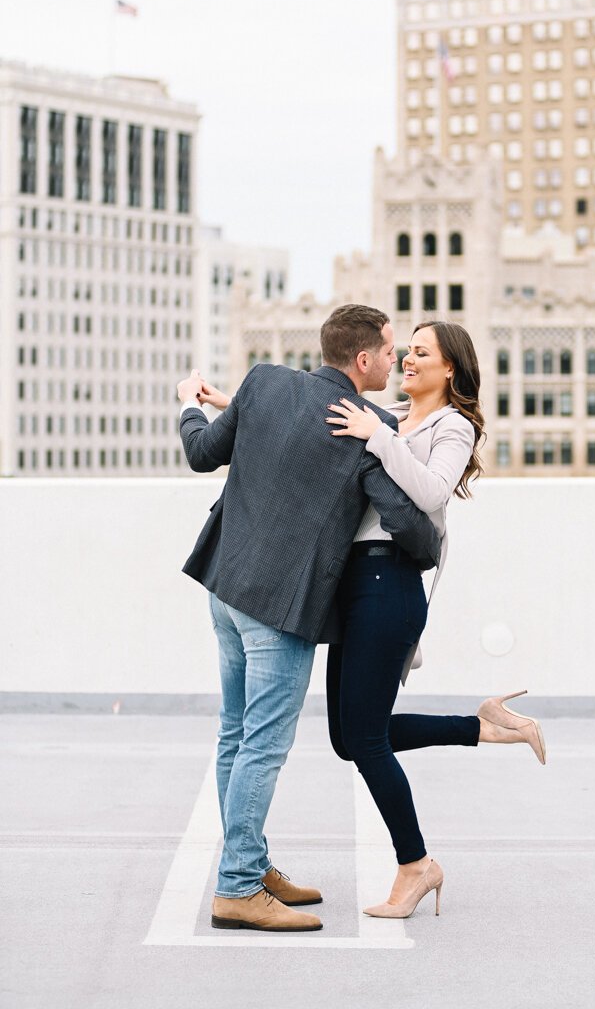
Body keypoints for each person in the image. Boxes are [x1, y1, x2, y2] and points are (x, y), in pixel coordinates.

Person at [176, 304, 441, 933]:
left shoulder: (264, 382)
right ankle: (238, 886)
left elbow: (199, 452)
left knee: (235, 736)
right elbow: (402, 519)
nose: (395, 359)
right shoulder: (365, 423)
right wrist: (431, 551)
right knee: (262, 746)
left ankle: (250, 862)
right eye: (389, 350)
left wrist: (192, 401)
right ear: (362, 360)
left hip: (226, 586)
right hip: (281, 608)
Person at [323, 321, 546, 920]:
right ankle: (484, 727)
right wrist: (228, 405)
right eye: (408, 350)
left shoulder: (453, 425)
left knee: (366, 741)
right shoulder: (393, 414)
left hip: (390, 582)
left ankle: (416, 865)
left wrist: (378, 436)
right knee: (347, 738)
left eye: (422, 352)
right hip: (352, 584)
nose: (409, 360)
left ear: (450, 369)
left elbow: (428, 492)